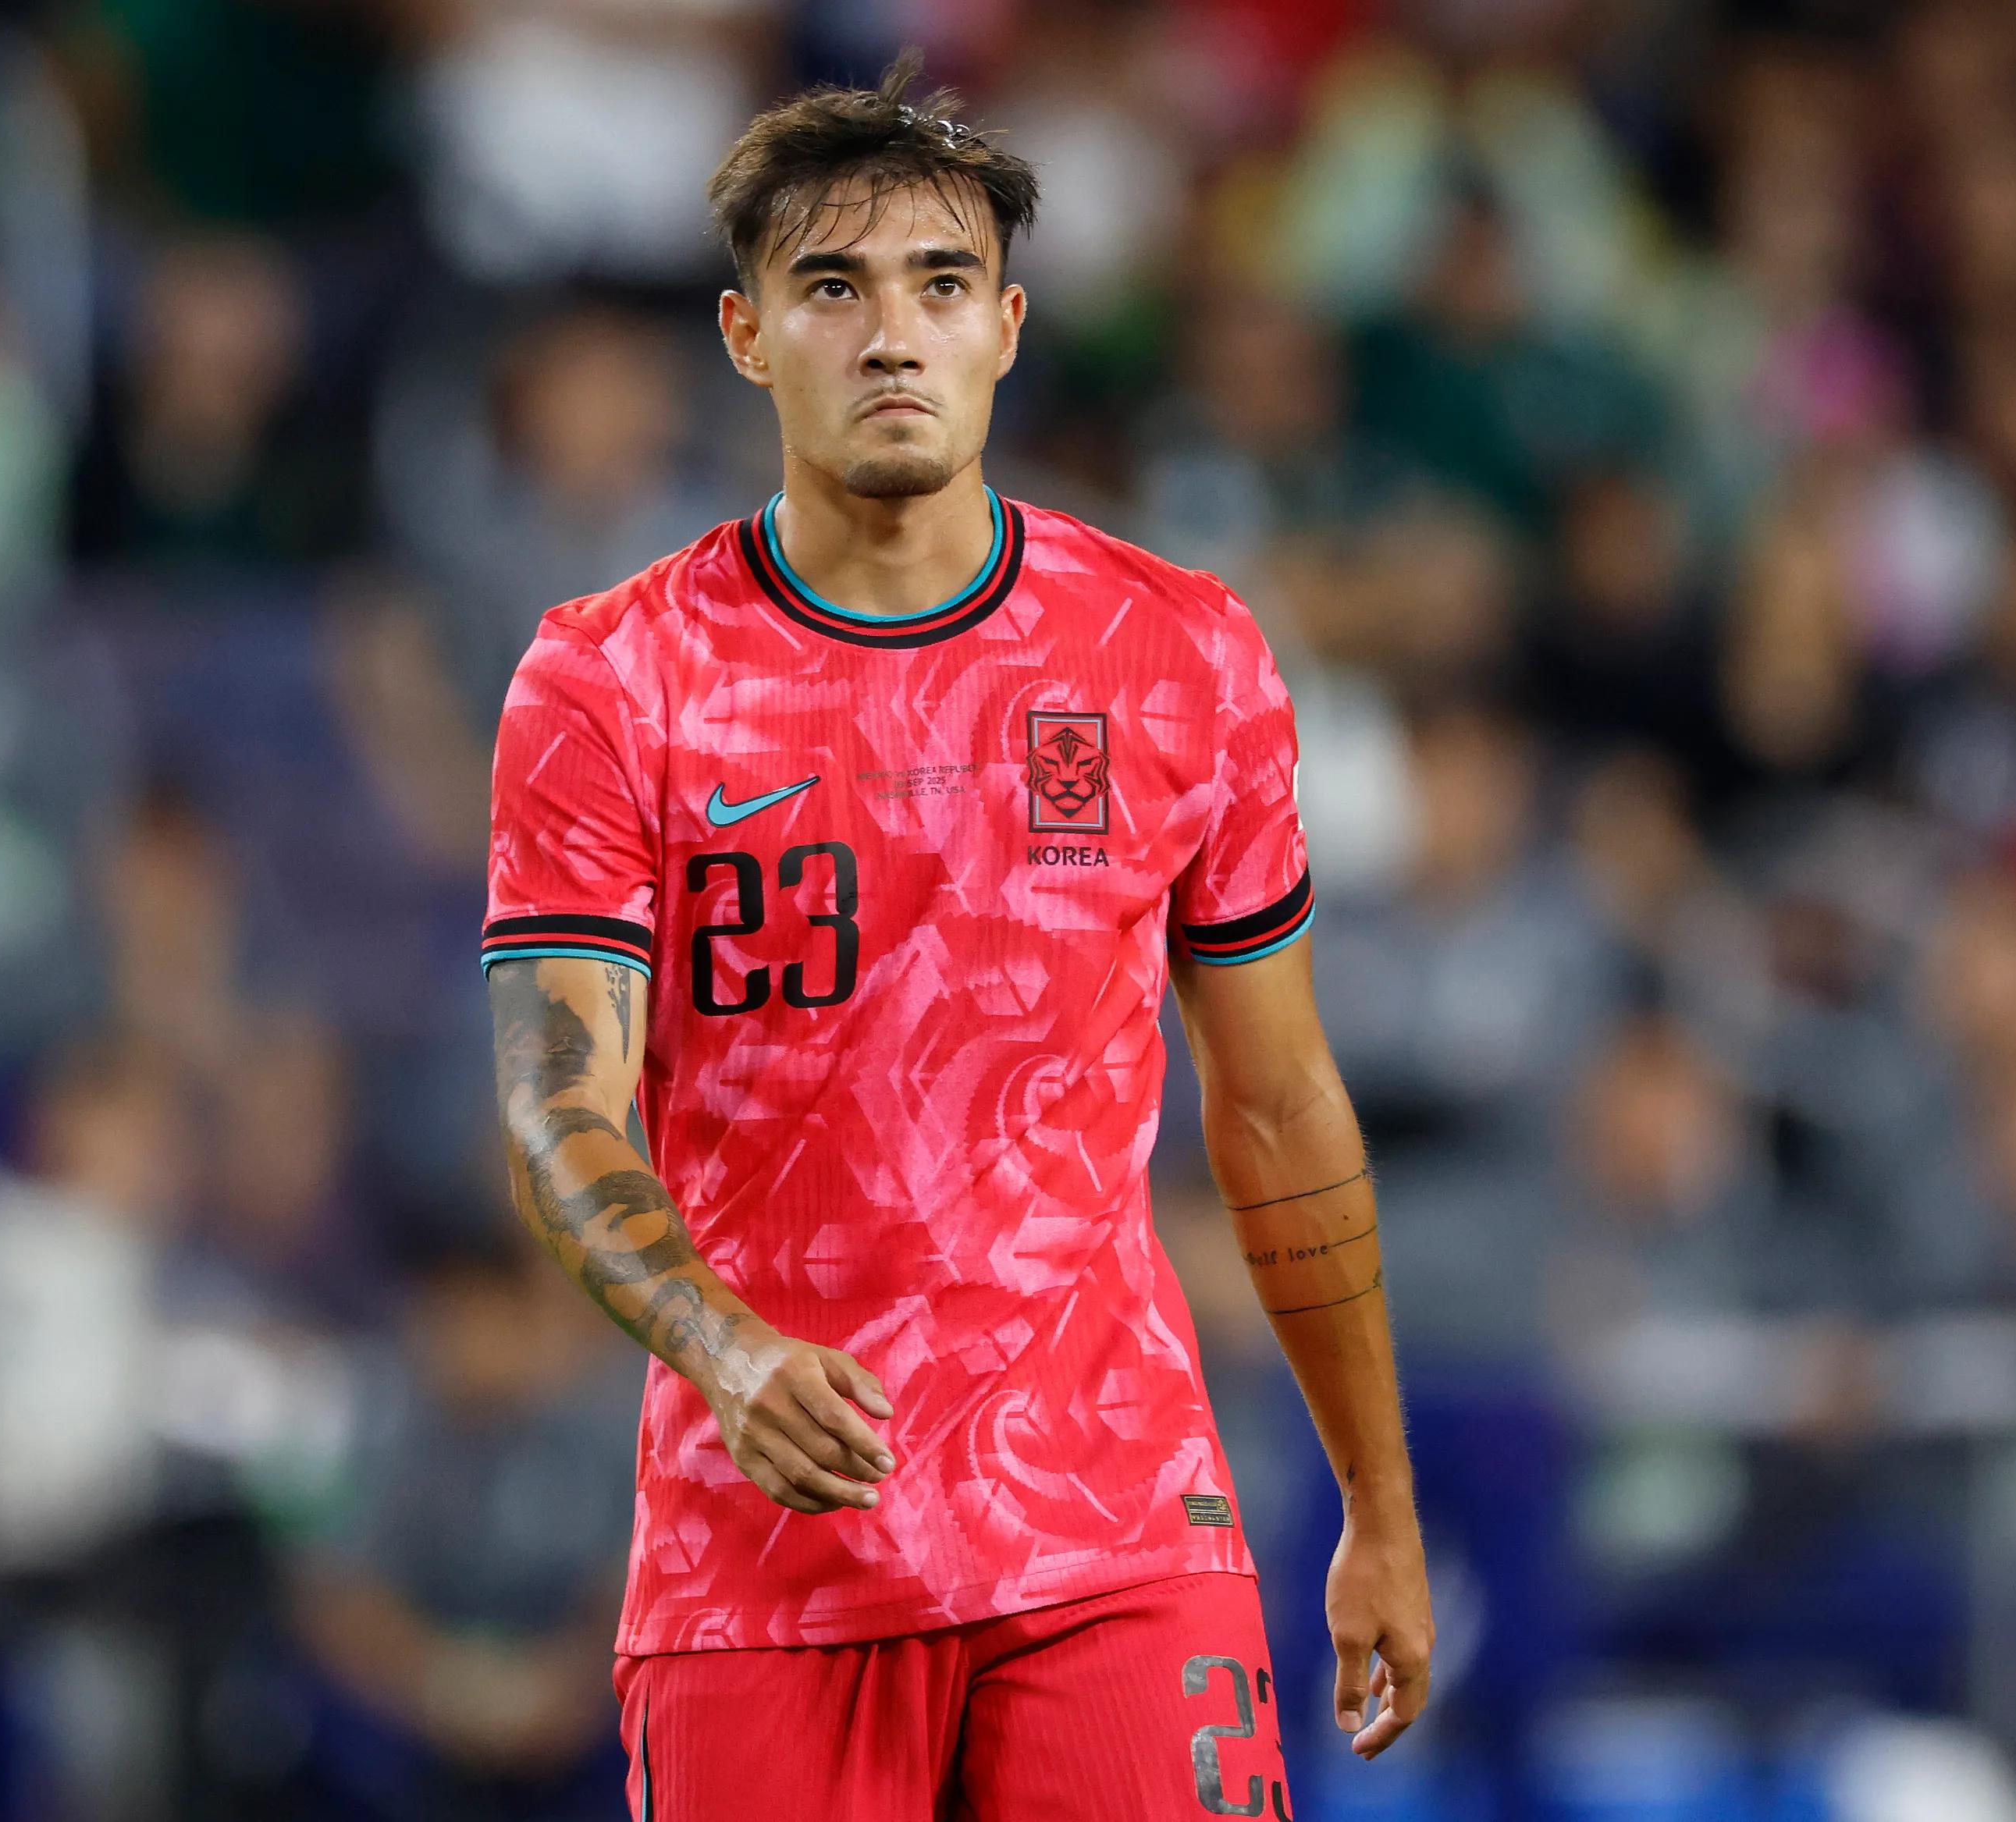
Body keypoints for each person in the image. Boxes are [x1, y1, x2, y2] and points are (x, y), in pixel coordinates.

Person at [481, 55, 1433, 1822]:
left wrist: (1376, 1503)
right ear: (745, 335)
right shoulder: (611, 681)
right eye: (831, 288)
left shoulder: (1181, 656)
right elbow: (560, 1110)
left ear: (1005, 326)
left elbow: (1281, 1110)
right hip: (764, 1565)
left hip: (1114, 1531)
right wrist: (724, 1349)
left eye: (936, 288)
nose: (891, 336)